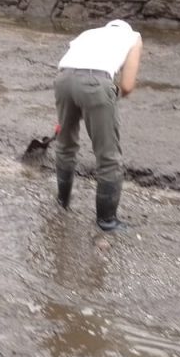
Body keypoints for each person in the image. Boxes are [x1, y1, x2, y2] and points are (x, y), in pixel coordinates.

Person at [54, 19, 143, 231]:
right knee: (108, 156)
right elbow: (127, 86)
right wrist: (104, 99)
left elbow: (75, 67)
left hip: (63, 80)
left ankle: (62, 202)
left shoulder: (89, 33)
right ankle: (107, 221)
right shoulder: (134, 37)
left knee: (65, 145)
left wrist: (83, 101)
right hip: (96, 83)